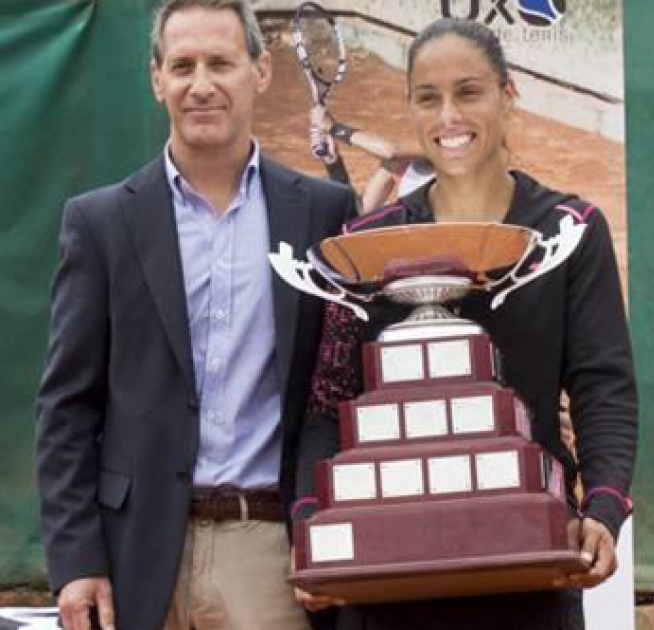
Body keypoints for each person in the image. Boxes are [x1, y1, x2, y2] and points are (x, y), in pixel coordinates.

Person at [294, 17, 638, 630]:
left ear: (509, 96)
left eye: (469, 91)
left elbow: (602, 387)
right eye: (429, 98)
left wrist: (604, 509)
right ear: (411, 108)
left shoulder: (571, 230)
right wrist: (308, 527)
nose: (449, 116)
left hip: (527, 567)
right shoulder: (366, 245)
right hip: (390, 581)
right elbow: (327, 406)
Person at [34, 2, 357, 629]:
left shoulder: (323, 212)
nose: (201, 84)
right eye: (182, 65)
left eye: (221, 63)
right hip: (135, 557)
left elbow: (337, 396)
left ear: (260, 73)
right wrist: (76, 560)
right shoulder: (99, 224)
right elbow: (67, 407)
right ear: (157, 79)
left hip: (271, 556)